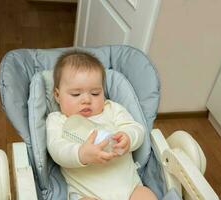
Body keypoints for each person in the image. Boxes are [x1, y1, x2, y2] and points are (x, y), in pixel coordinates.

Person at [46, 50, 157, 200]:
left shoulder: (111, 109)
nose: (86, 99)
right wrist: (81, 154)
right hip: (87, 193)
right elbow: (56, 148)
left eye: (95, 93)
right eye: (76, 94)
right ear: (57, 95)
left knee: (146, 196)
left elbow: (136, 128)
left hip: (129, 188)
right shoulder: (57, 120)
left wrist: (128, 137)